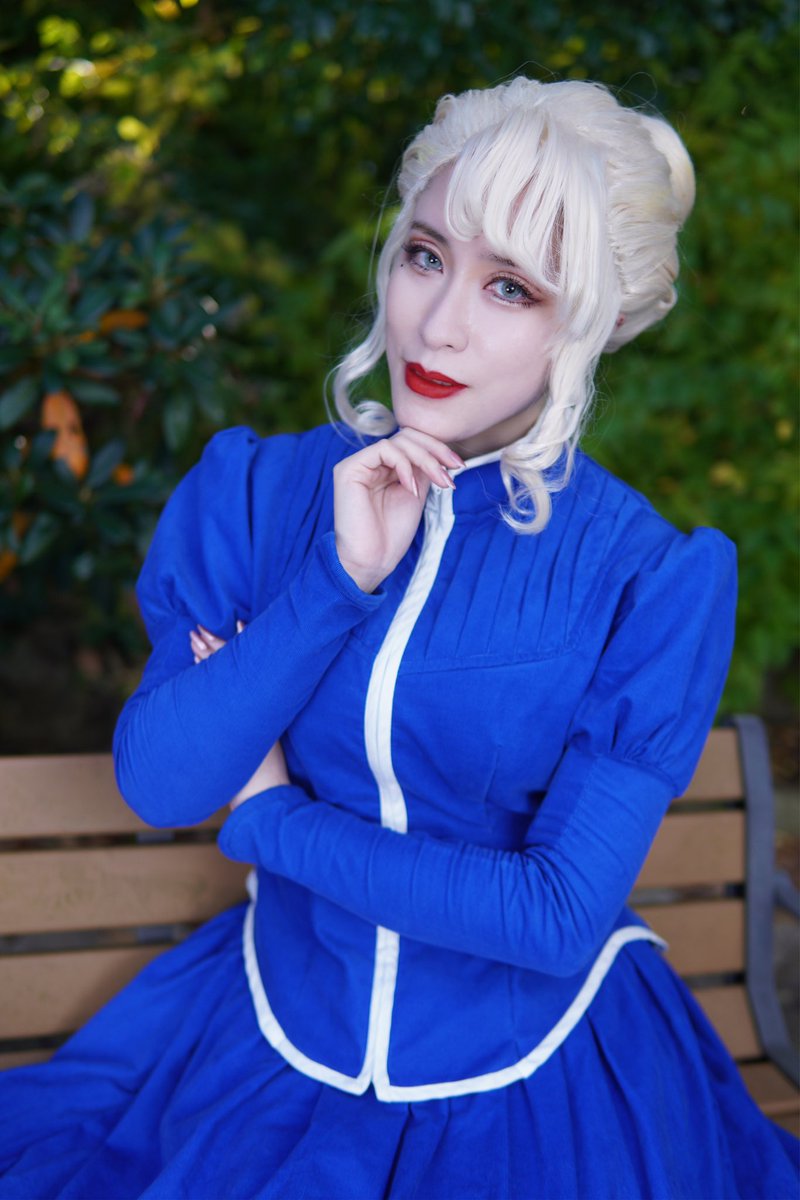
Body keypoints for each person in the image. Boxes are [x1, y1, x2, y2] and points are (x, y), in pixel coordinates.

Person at [0, 76, 797, 1200]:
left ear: (596, 324)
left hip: (541, 1082)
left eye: (510, 287)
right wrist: (334, 583)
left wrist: (273, 820)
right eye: (425, 255)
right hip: (269, 1031)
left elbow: (554, 916)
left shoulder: (646, 576)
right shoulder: (257, 491)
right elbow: (166, 782)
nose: (438, 322)